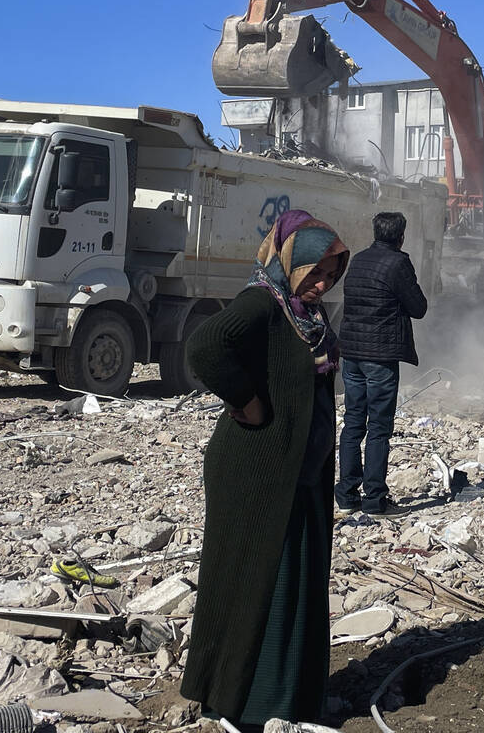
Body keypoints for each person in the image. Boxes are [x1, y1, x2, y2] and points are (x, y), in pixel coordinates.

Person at [180, 209, 348, 729]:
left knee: (295, 581)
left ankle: (291, 698)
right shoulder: (264, 302)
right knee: (255, 581)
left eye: (330, 273)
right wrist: (248, 401)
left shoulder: (306, 313)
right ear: (289, 262)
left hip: (299, 474)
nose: (322, 283)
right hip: (257, 472)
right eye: (314, 271)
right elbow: (206, 346)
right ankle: (246, 703)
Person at [336, 211, 428, 517]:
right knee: (378, 428)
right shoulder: (399, 263)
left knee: (352, 423)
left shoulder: (359, 259)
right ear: (401, 236)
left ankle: (347, 496)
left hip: (351, 354)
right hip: (380, 357)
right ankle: (375, 499)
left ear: (375, 233)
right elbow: (419, 308)